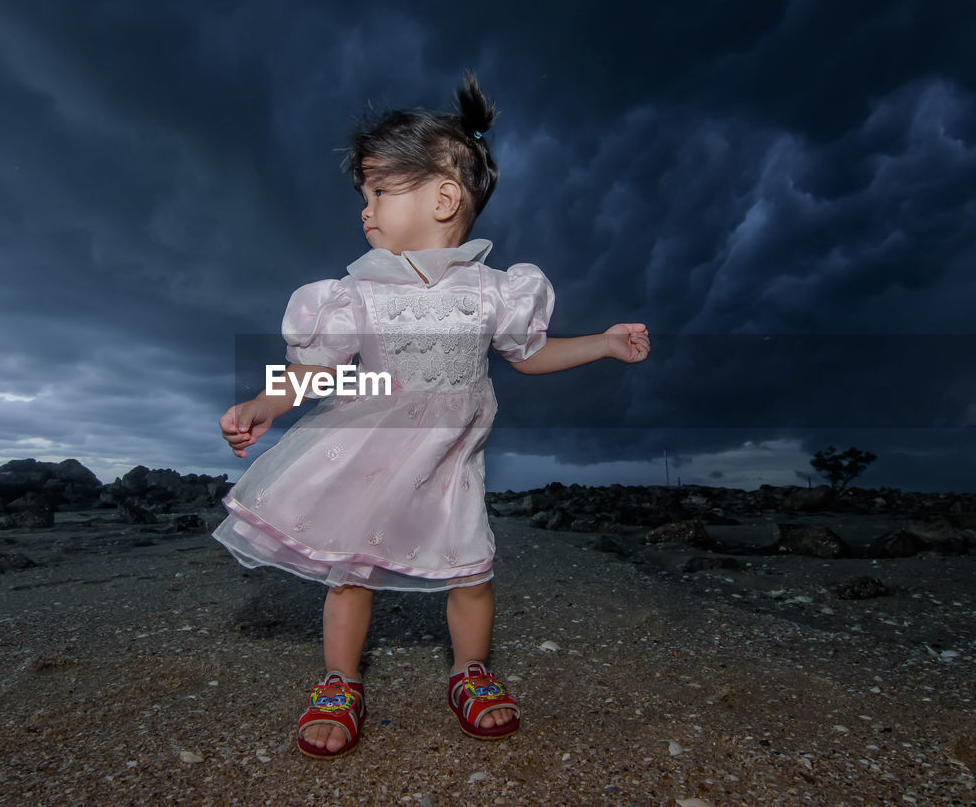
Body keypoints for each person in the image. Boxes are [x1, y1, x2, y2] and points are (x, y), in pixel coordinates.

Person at [214, 73, 650, 758]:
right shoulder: (355, 293)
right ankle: (338, 680)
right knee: (349, 571)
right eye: (363, 195)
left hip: (452, 461)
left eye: (380, 190)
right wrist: (263, 402)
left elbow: (528, 354)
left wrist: (601, 343)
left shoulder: (494, 292)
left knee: (471, 572)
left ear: (445, 197)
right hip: (369, 451)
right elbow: (315, 371)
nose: (365, 208)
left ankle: (470, 670)